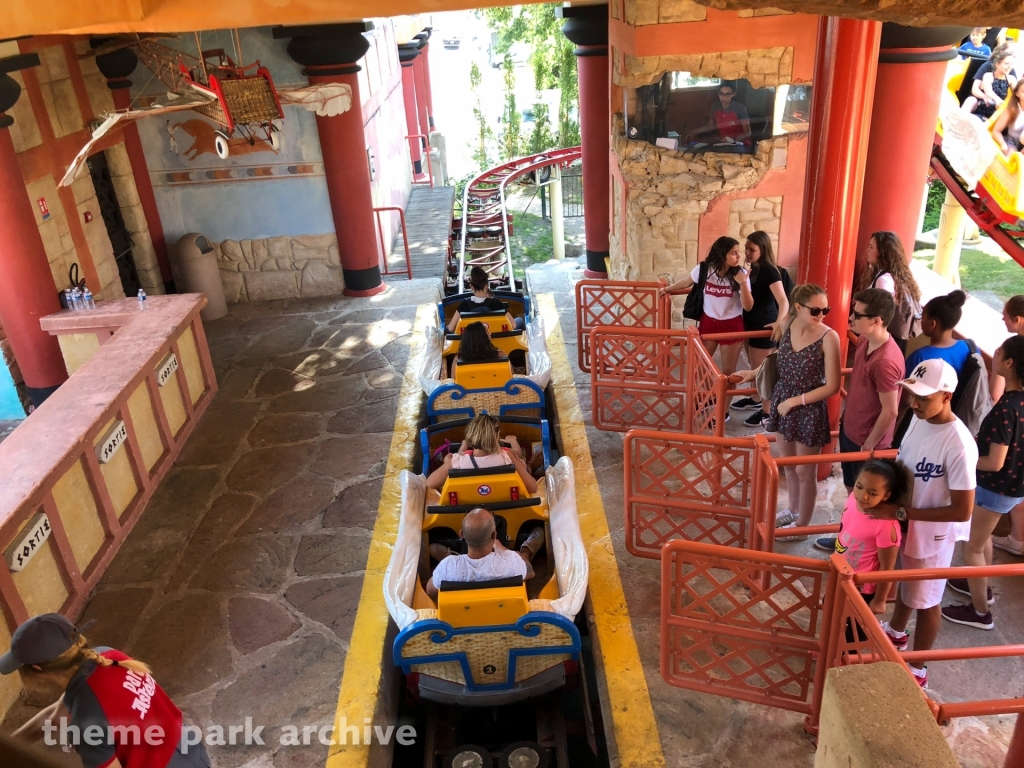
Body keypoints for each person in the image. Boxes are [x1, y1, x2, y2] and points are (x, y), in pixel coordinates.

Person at [869, 359, 979, 690]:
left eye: (924, 398)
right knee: (909, 584)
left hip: (933, 535)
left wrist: (902, 513)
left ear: (946, 396)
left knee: (928, 601)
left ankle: (918, 668)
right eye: (912, 394)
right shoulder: (919, 420)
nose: (914, 404)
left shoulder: (958, 444)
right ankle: (897, 631)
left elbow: (962, 510)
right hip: (907, 523)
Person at [3, 614, 211, 767]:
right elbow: (56, 716)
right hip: (192, 753)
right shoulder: (106, 656)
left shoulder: (86, 720)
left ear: (37, 668)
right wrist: (8, 748)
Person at [735, 284, 841, 530]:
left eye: (825, 310)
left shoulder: (829, 337)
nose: (821, 315)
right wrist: (753, 373)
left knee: (806, 471)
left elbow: (833, 386)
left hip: (808, 407)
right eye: (815, 310)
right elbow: (777, 361)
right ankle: (793, 511)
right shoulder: (786, 324)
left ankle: (802, 525)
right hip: (783, 399)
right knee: (789, 465)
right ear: (798, 307)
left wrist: (795, 401)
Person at [941, 336, 1024, 631]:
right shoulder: (1018, 402)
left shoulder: (1007, 408)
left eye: (999, 352)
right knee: (982, 538)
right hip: (1012, 487)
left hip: (995, 487)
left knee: (972, 548)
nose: (995, 355)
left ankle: (980, 613)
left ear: (1010, 363)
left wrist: (961, 458)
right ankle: (980, 586)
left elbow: (994, 462)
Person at [815, 289, 904, 552]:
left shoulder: (886, 361)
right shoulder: (865, 341)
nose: (851, 318)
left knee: (865, 499)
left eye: (858, 314)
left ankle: (857, 548)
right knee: (852, 491)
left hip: (867, 443)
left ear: (877, 320)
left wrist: (869, 445)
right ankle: (847, 539)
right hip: (852, 431)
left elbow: (890, 411)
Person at [658, 236, 753, 382]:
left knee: (729, 372)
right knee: (700, 365)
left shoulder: (740, 274)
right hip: (709, 322)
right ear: (722, 255)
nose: (738, 256)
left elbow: (748, 306)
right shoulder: (704, 269)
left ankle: (723, 398)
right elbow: (686, 282)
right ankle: (710, 394)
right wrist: (667, 289)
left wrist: (743, 283)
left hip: (732, 324)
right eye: (734, 253)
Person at [835, 460, 911, 613]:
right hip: (840, 574)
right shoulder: (852, 498)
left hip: (862, 588)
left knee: (851, 625)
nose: (863, 496)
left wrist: (879, 600)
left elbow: (887, 568)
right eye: (859, 487)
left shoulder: (886, 526)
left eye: (873, 493)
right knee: (832, 612)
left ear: (886, 495)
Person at [731, 231, 790, 427]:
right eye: (746, 249)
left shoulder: (769, 271)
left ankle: (766, 411)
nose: (747, 253)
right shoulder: (754, 269)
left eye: (752, 249)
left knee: (763, 370)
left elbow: (783, 300)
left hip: (764, 322)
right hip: (751, 321)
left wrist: (779, 322)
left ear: (763, 250)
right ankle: (756, 399)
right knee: (754, 365)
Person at [425, 507, 539, 598]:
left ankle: (456, 556)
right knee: (520, 556)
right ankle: (526, 549)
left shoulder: (447, 566)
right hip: (505, 616)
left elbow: (430, 590)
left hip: (463, 618)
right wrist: (502, 548)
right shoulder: (511, 560)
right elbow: (530, 573)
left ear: (462, 534)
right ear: (494, 535)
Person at [426, 412, 538, 494]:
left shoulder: (458, 461)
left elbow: (430, 483)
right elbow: (533, 488)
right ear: (496, 437)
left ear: (470, 435)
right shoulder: (506, 457)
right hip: (504, 504)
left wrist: (447, 463)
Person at [991, 295, 1024, 556]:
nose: (1002, 318)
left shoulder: (1008, 406)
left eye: (1006, 314)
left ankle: (1017, 538)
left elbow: (995, 394)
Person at [857, 231, 922, 351]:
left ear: (882, 253)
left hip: (884, 342)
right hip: (896, 339)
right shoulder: (898, 276)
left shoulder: (884, 280)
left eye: (871, 247)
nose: (867, 251)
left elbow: (880, 312)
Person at [905, 291, 972, 378]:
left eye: (923, 316)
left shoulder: (919, 358)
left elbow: (905, 385)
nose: (921, 320)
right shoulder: (970, 348)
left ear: (932, 324)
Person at [448, 266, 520, 332]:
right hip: (496, 340)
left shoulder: (464, 305)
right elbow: (513, 325)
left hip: (471, 341)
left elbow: (450, 328)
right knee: (519, 320)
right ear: (487, 286)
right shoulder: (496, 303)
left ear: (472, 287)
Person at [692, 82, 752, 149]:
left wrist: (732, 140)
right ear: (718, 94)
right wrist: (694, 132)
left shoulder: (740, 108)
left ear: (734, 94)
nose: (724, 97)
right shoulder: (715, 107)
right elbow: (709, 127)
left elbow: (747, 132)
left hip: (740, 143)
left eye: (728, 94)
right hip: (723, 143)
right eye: (721, 94)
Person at [965, 48, 1016, 121]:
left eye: (1012, 64)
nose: (1009, 66)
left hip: (999, 109)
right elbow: (988, 90)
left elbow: (1017, 92)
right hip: (985, 106)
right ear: (997, 64)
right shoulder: (988, 75)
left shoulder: (1011, 79)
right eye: (1006, 64)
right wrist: (997, 99)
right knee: (971, 101)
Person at [991, 79, 1024, 155]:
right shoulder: (1011, 109)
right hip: (1012, 142)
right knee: (1013, 156)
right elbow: (996, 131)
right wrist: (1003, 144)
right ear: (1017, 94)